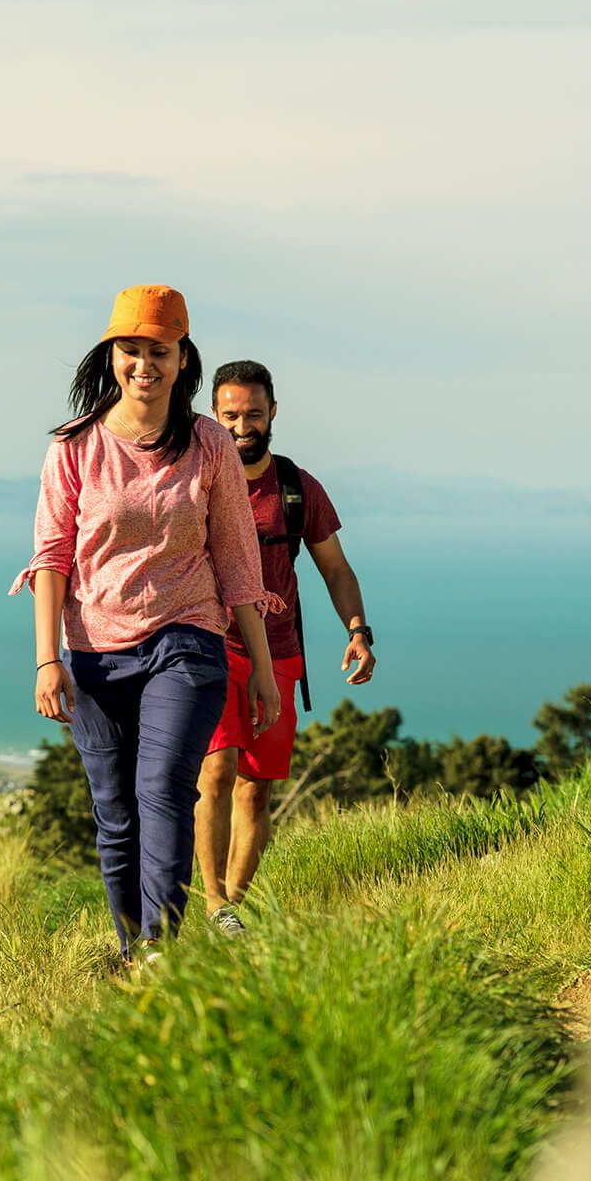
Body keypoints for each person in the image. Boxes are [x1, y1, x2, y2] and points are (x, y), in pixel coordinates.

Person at [13, 286, 284, 966]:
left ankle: (162, 946)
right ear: (112, 356)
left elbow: (237, 560)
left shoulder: (209, 445)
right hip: (95, 653)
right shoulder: (73, 450)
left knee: (163, 787)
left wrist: (263, 671)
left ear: (181, 355)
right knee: (115, 810)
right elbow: (51, 558)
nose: (144, 365)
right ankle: (132, 948)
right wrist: (48, 661)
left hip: (186, 637)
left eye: (158, 351)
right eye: (131, 350)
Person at [192, 359, 374, 933]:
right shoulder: (197, 480)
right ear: (213, 418)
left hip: (280, 653)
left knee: (256, 791)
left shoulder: (297, 488)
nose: (241, 425)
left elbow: (337, 570)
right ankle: (212, 902)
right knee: (215, 771)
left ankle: (233, 916)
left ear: (273, 413)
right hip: (211, 646)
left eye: (252, 414)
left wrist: (358, 631)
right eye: (229, 415)